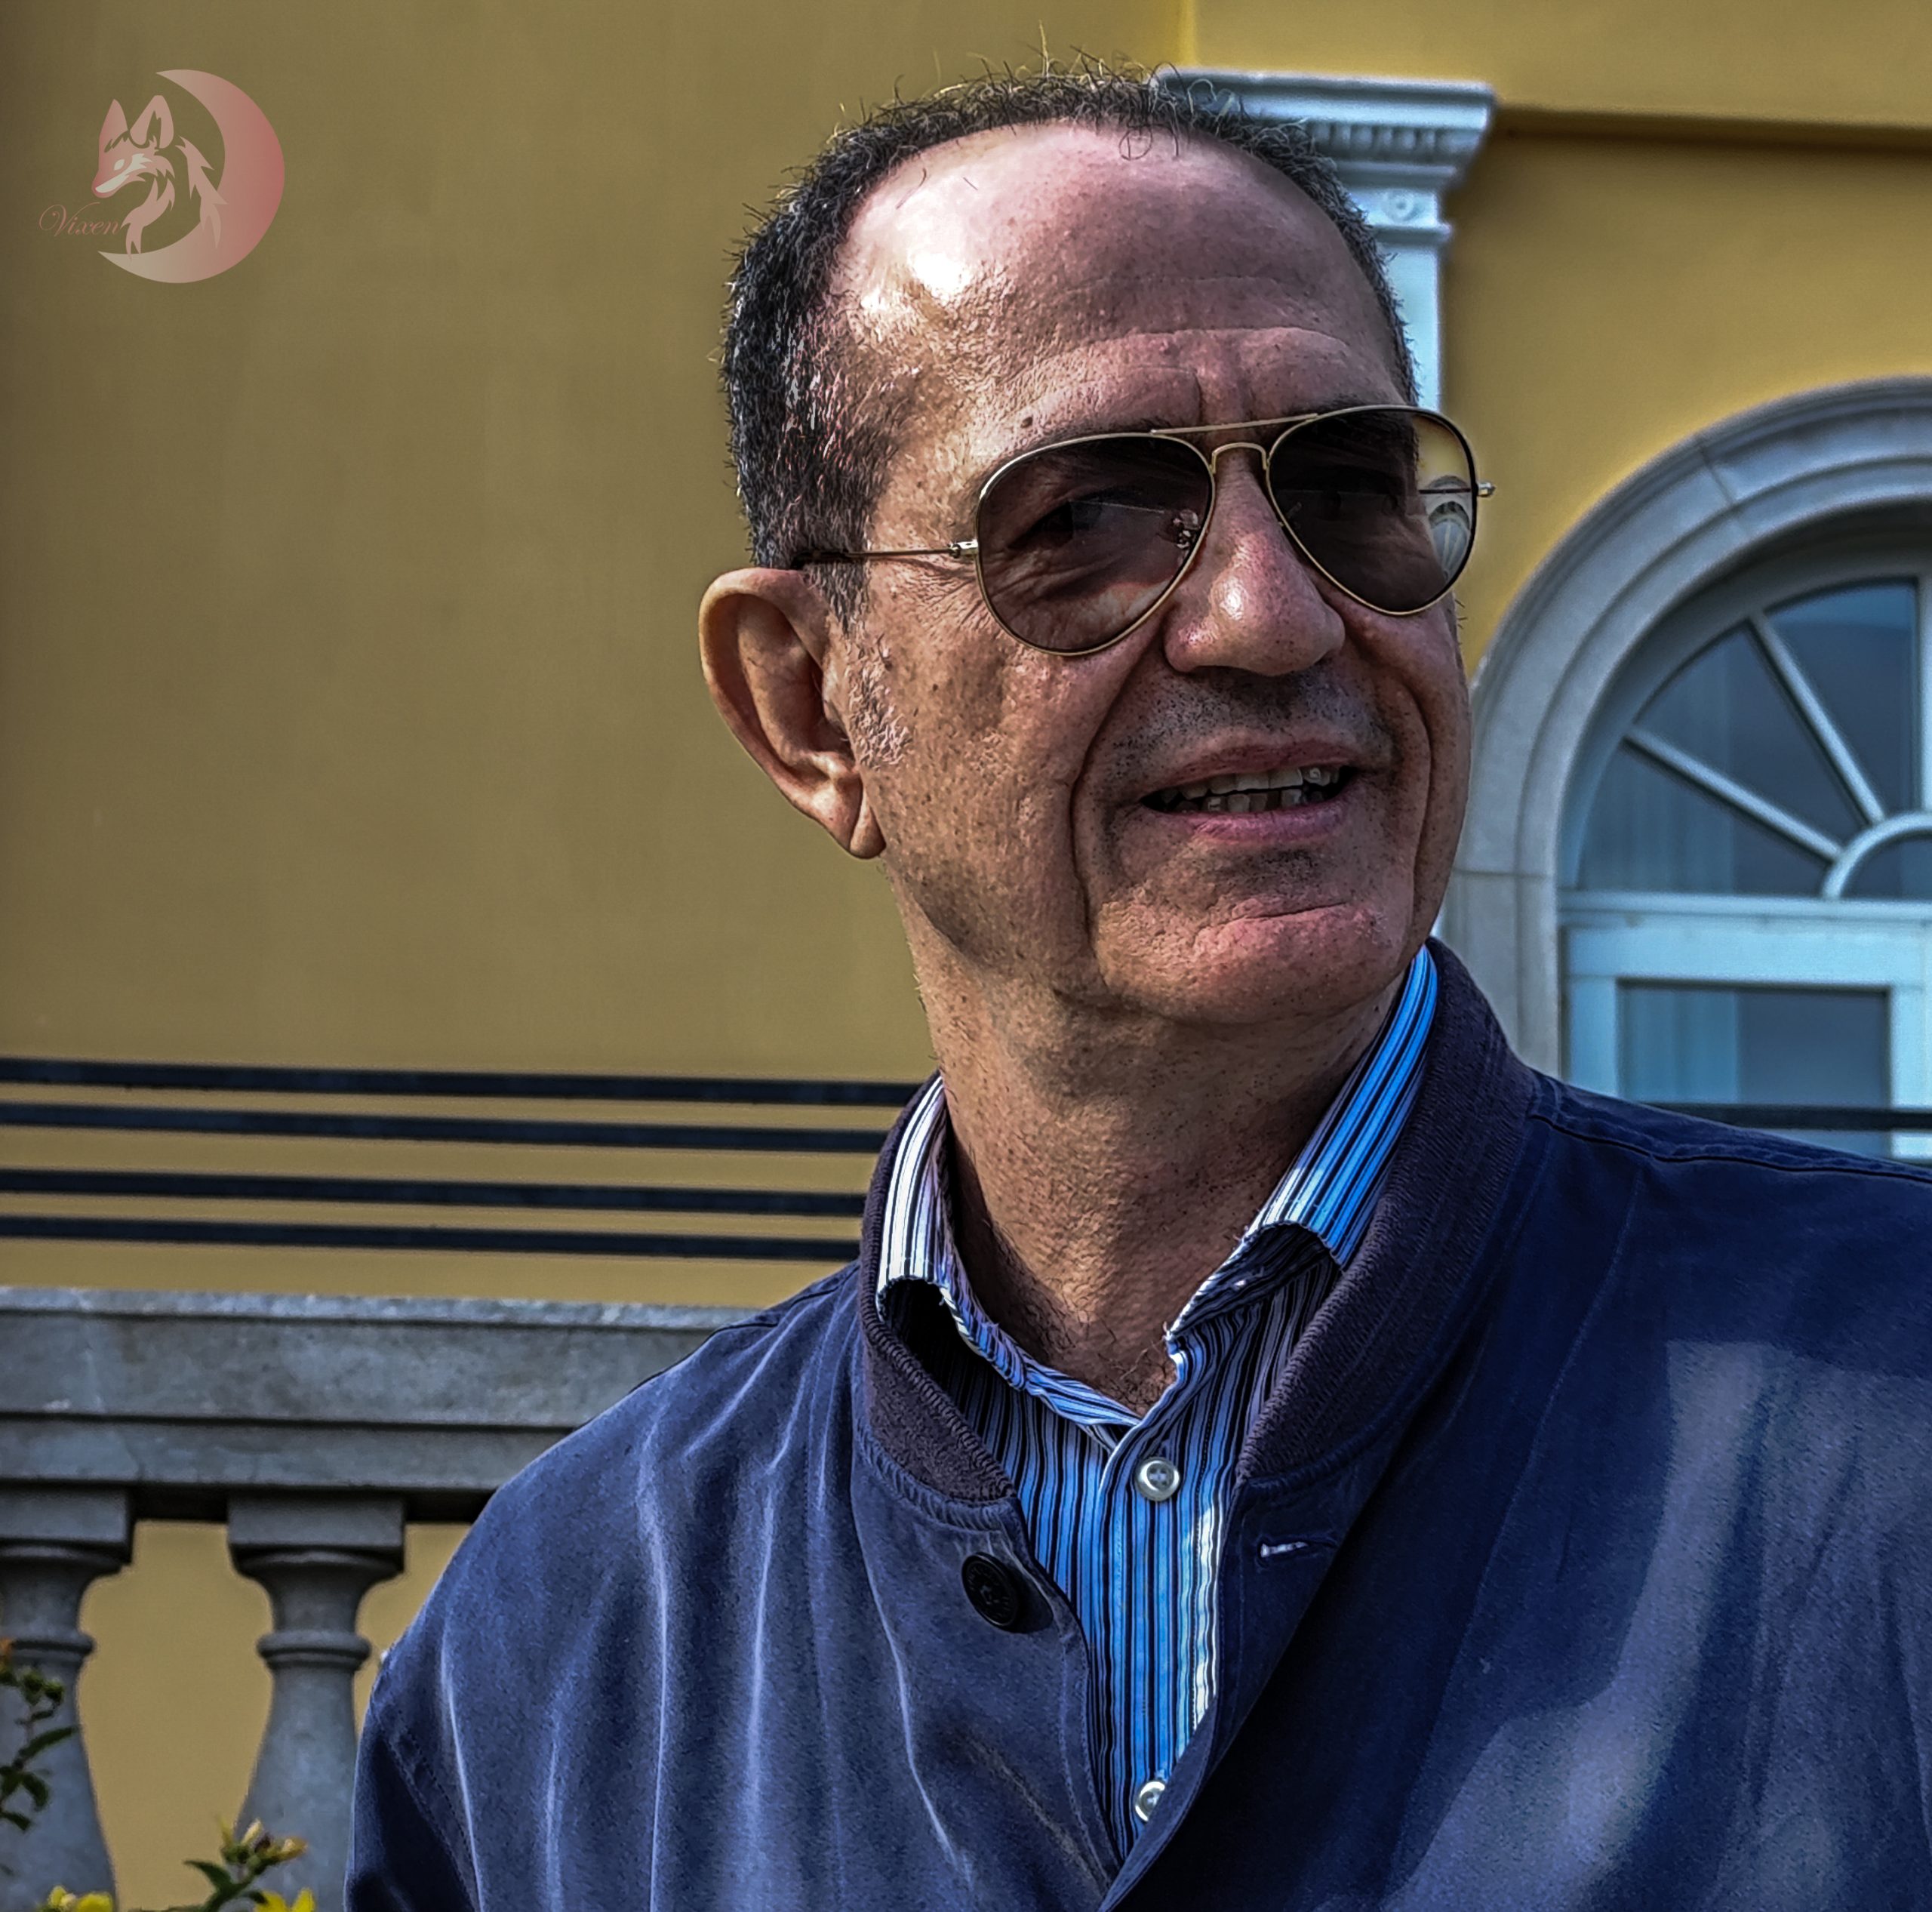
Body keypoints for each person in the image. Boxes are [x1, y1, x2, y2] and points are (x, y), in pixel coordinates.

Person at [347, 68, 1932, 1911]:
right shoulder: (558, 1652)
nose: (1271, 614)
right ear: (806, 706)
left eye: (1344, 491)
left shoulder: (1886, 1406)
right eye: (1088, 517)